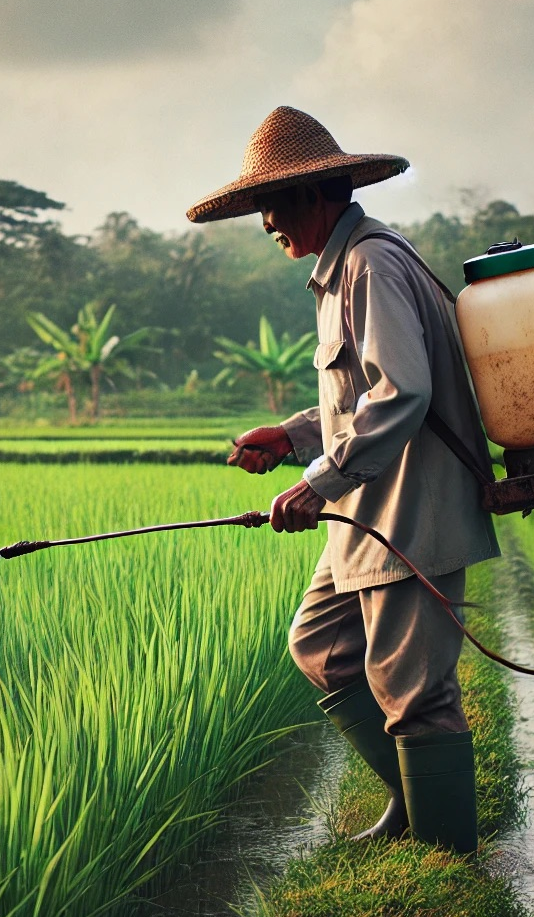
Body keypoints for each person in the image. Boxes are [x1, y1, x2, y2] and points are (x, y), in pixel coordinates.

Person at [186, 106, 500, 853]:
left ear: (319, 192)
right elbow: (356, 392)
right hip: (371, 512)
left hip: (407, 512)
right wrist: (293, 436)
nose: (266, 224)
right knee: (321, 644)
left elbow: (402, 392)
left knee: (415, 694)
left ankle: (446, 859)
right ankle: (410, 800)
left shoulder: (371, 264)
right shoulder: (342, 270)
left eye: (273, 205)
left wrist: (317, 481)